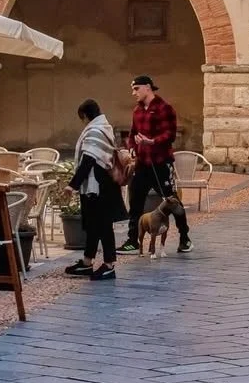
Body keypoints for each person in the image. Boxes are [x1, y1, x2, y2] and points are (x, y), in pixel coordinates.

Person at [118, 75, 191, 255]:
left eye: (136, 89)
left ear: (147, 88)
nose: (133, 92)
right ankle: (132, 240)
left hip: (160, 164)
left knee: (172, 202)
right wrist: (133, 148)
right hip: (142, 165)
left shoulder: (164, 108)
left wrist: (152, 142)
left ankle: (185, 238)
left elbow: (170, 135)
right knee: (135, 203)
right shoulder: (137, 111)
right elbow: (133, 134)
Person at [65, 99, 125, 281]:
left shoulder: (95, 131)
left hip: (98, 186)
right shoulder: (104, 127)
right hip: (98, 186)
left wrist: (72, 185)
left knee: (103, 226)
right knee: (93, 225)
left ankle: (109, 265)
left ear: (85, 116)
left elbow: (88, 161)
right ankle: (87, 262)